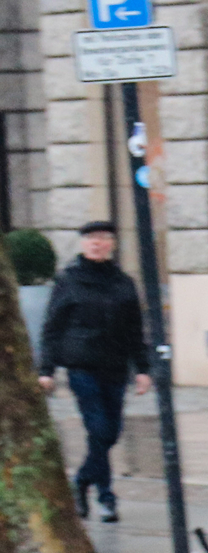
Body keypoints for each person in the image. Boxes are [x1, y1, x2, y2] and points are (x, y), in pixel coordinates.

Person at [36, 221, 152, 523]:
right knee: (98, 429)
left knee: (110, 433)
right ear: (83, 244)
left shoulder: (123, 282)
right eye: (91, 239)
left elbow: (134, 330)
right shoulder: (69, 280)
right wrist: (46, 369)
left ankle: (82, 481)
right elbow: (52, 328)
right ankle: (106, 497)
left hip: (115, 366)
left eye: (102, 238)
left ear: (112, 243)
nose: (96, 244)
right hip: (82, 366)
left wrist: (143, 369)